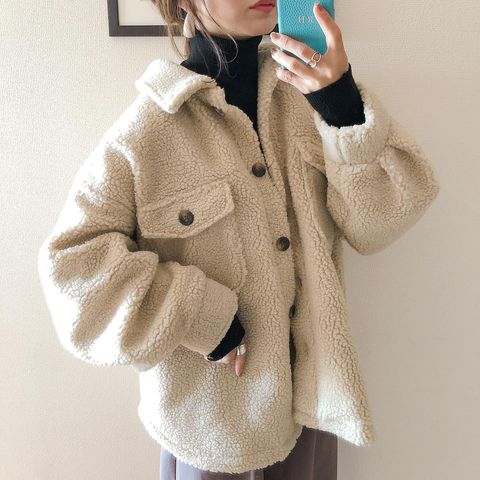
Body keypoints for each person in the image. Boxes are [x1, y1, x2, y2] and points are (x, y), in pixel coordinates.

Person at [37, 0, 440, 478]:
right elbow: (73, 272)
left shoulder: (309, 94)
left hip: (314, 405)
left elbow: (379, 222)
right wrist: (198, 314)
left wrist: (342, 103)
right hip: (212, 427)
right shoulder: (147, 133)